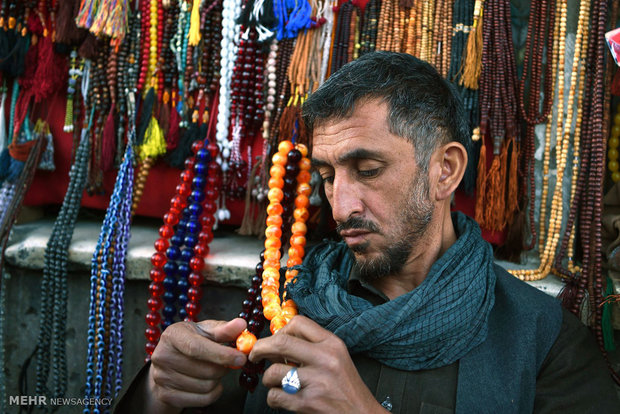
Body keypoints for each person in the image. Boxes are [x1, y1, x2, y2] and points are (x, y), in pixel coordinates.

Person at [115, 52, 619, 413]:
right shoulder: (286, 305)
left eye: (369, 170)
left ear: (445, 171)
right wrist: (160, 392)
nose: (340, 206)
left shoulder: (542, 342)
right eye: (329, 175)